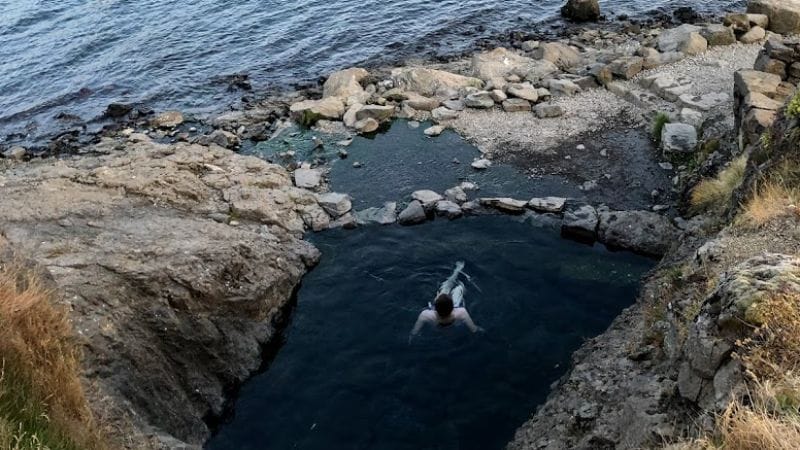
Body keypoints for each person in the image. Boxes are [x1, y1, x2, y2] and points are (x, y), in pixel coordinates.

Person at [409, 261, 482, 340]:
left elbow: (414, 333)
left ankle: (456, 271)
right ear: (452, 306)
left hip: (437, 325)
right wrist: (482, 330)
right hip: (454, 322)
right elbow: (474, 329)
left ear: (435, 306)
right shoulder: (461, 313)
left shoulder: (426, 315)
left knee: (445, 288)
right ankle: (458, 270)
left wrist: (410, 339)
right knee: (459, 288)